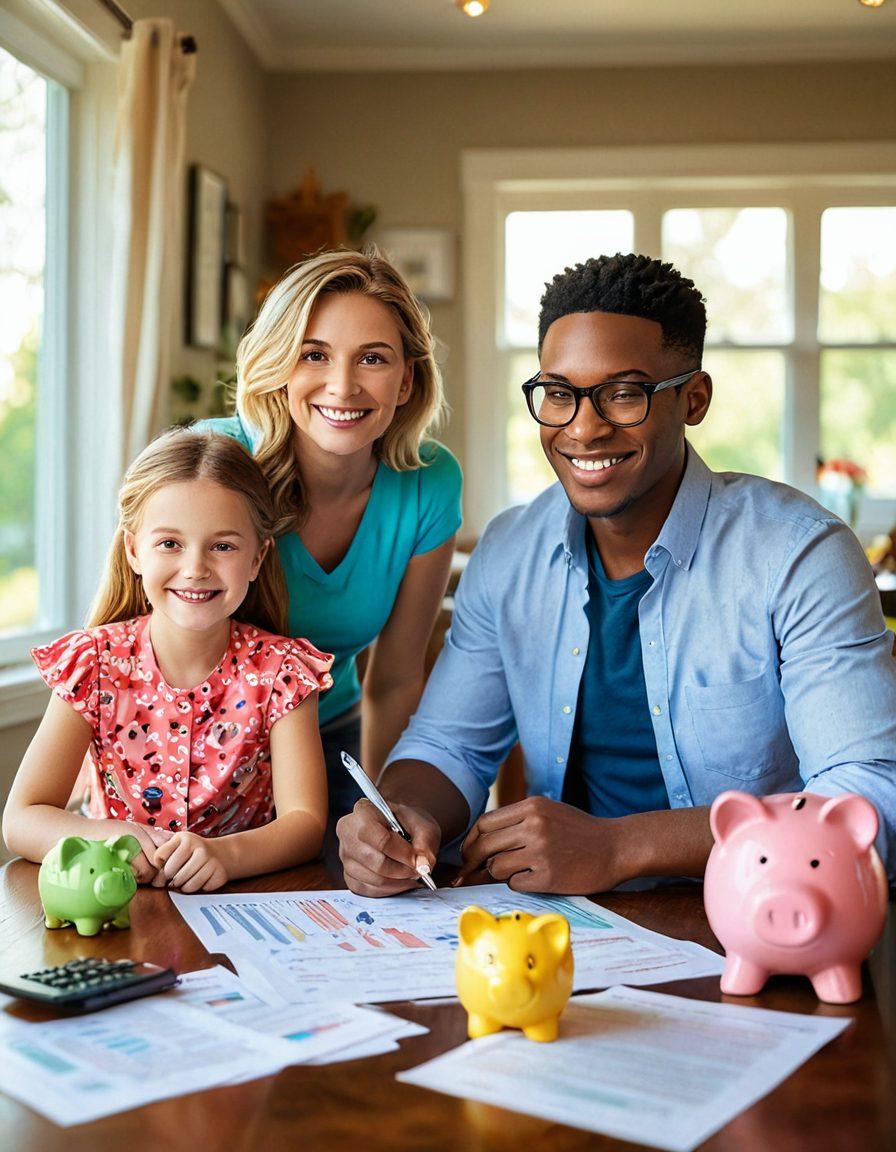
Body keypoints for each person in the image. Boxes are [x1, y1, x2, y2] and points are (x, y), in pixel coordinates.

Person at [337, 252, 896, 897]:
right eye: (559, 394)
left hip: (761, 917)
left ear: (694, 399)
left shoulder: (800, 554)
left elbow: (868, 798)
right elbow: (447, 748)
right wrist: (404, 818)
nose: (584, 428)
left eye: (624, 394)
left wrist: (622, 846)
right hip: (568, 928)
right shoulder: (511, 552)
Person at [2, 429, 333, 892]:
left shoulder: (282, 673)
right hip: (116, 907)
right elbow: (21, 820)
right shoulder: (92, 664)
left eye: (223, 546)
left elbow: (304, 823)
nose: (195, 567)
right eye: (170, 544)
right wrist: (107, 838)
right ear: (134, 551)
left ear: (257, 559)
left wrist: (225, 856)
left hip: (240, 908)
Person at [200, 248, 462, 822]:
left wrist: (386, 812)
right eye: (314, 355)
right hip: (191, 752)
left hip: (331, 745)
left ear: (404, 380)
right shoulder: (211, 462)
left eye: (372, 358)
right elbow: (123, 642)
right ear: (279, 366)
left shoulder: (429, 483)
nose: (342, 387)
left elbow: (393, 682)